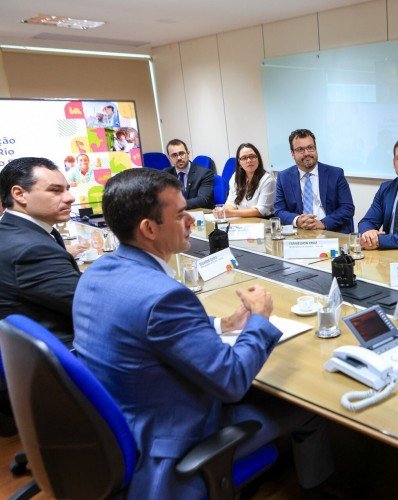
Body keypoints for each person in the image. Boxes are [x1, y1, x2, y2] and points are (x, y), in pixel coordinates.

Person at [72, 168, 334, 497]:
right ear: (149, 228)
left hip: (122, 423)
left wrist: (221, 326)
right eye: (181, 215)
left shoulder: (96, 272)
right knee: (310, 409)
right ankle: (317, 490)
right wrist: (259, 319)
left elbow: (147, 330)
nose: (191, 222)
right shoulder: (164, 297)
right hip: (176, 442)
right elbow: (232, 382)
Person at [0, 157, 81, 346]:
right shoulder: (32, 250)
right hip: (62, 355)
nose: (70, 197)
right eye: (55, 190)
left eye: (67, 189)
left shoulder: (10, 229)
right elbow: (92, 306)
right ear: (19, 194)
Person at [274, 129, 354, 233]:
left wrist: (323, 223)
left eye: (310, 148)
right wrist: (297, 220)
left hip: (330, 231)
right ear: (292, 153)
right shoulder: (283, 177)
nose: (307, 153)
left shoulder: (335, 174)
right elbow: (279, 210)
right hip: (299, 233)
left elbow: (347, 208)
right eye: (300, 149)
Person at [224, 143, 275, 218]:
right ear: (239, 162)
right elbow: (231, 203)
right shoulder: (235, 177)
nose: (249, 160)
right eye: (244, 158)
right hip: (240, 221)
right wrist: (224, 211)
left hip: (260, 222)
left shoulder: (268, 180)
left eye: (252, 156)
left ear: (258, 159)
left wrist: (231, 213)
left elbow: (261, 211)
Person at [165, 138, 214, 210]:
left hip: (197, 213)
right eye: (174, 155)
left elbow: (203, 200)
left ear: (188, 154)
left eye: (181, 153)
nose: (179, 158)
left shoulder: (204, 173)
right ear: (170, 158)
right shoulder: (165, 174)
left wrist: (177, 206)